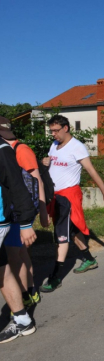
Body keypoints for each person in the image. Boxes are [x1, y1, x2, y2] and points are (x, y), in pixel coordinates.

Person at [40, 115, 104, 293]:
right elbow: (52, 167)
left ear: (66, 128)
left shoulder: (77, 147)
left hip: (68, 197)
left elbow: (91, 170)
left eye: (56, 130)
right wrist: (44, 163)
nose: (53, 134)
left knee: (61, 236)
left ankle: (55, 277)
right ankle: (89, 259)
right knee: (72, 231)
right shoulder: (54, 145)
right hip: (55, 196)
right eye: (51, 131)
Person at [0, 118, 49, 310]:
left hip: (17, 212)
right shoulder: (9, 148)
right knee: (17, 254)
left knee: (15, 255)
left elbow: (37, 182)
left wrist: (41, 213)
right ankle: (28, 292)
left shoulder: (20, 150)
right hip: (14, 211)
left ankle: (27, 294)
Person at [0, 137, 38, 343]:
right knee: (3, 271)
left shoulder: (2, 149)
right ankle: (22, 319)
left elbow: (17, 185)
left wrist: (25, 223)